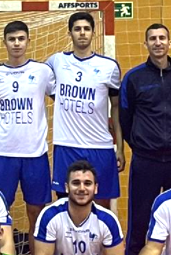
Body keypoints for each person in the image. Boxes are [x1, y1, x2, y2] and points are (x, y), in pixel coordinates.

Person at [120, 23, 171, 255]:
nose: (158, 42)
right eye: (152, 38)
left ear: (169, 43)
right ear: (145, 44)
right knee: (139, 220)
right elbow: (125, 116)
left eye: (162, 38)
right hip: (145, 161)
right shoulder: (134, 78)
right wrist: (140, 144)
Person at [0, 20, 56, 255]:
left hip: (35, 154)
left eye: (21, 39)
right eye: (12, 39)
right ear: (4, 42)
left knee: (36, 212)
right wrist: (1, 123)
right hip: (3, 154)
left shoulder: (43, 72)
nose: (16, 43)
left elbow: (61, 99)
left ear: (28, 41)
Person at [47, 12, 123, 209]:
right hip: (66, 145)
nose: (82, 33)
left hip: (100, 146)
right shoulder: (56, 62)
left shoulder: (109, 67)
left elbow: (116, 108)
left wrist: (120, 148)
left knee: (102, 206)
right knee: (64, 205)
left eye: (87, 29)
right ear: (70, 33)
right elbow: (33, 76)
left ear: (93, 33)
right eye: (77, 29)